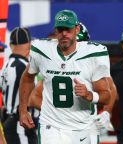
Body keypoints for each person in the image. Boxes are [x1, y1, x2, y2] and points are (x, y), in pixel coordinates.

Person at [19, 9, 111, 144]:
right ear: (55, 30)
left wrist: (90, 95)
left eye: (68, 29)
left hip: (83, 126)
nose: (64, 34)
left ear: (77, 29)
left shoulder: (93, 54)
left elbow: (107, 95)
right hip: (51, 125)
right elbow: (27, 77)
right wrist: (23, 110)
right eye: (60, 29)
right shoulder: (42, 50)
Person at [0, 27, 37, 144]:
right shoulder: (26, 67)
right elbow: (33, 99)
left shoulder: (5, 66)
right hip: (22, 125)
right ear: (30, 44)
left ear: (11, 45)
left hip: (9, 121)